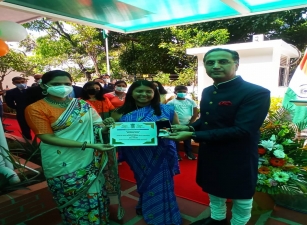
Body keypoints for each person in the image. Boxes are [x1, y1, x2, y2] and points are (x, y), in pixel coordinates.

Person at [165, 48, 270, 225]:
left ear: (236, 64)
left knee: (241, 193)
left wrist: (193, 134)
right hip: (211, 151)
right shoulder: (207, 91)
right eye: (210, 62)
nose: (216, 66)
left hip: (239, 154)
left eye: (223, 61)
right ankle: (217, 219)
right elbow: (207, 119)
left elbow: (243, 129)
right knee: (213, 187)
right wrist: (189, 125)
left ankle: (238, 222)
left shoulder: (256, 92)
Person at [24, 70, 121, 224]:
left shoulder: (82, 104)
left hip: (89, 157)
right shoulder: (36, 108)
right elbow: (46, 137)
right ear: (44, 85)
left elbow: (98, 126)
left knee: (96, 190)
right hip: (61, 160)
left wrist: (106, 126)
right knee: (71, 197)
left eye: (67, 84)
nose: (63, 87)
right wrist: (88, 144)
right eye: (56, 84)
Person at [103, 80, 182, 225]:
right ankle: (145, 204)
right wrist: (108, 126)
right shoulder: (119, 112)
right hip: (137, 157)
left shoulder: (167, 110)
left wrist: (168, 129)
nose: (143, 94)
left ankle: (161, 216)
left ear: (155, 94)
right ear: (131, 93)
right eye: (139, 91)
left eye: (148, 91)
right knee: (144, 181)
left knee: (160, 183)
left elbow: (178, 130)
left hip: (161, 154)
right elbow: (111, 134)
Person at [167, 85, 199, 160]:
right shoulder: (171, 103)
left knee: (187, 139)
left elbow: (195, 113)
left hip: (187, 124)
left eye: (184, 92)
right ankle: (176, 154)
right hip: (176, 125)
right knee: (176, 140)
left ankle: (188, 153)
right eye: (180, 92)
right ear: (175, 92)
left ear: (187, 92)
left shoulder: (191, 102)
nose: (182, 93)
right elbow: (169, 113)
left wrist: (191, 123)